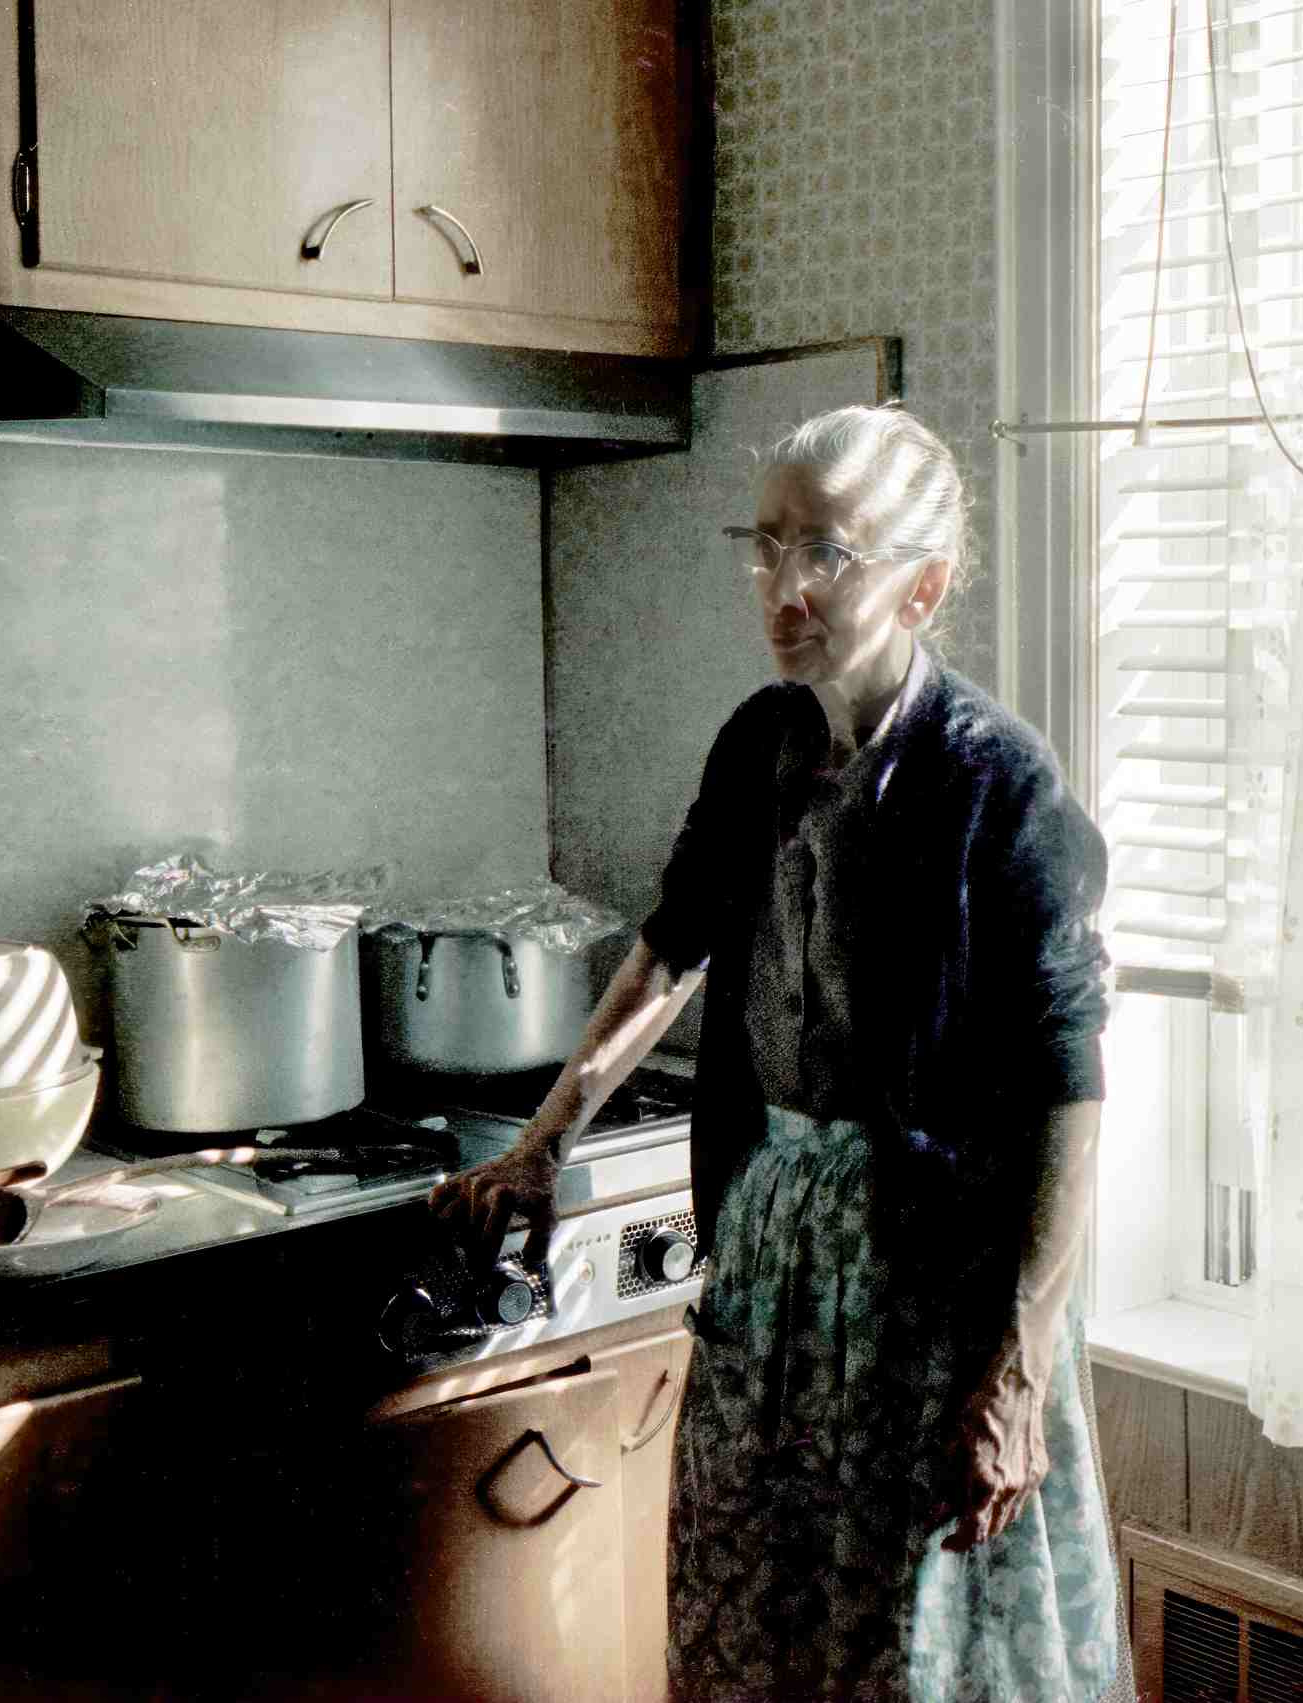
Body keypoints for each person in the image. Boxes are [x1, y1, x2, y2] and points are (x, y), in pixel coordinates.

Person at [429, 404, 1119, 1702]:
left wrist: (1018, 1373)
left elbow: (1067, 1092)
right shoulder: (760, 741)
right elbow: (671, 948)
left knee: (912, 1649)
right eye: (768, 544)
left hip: (933, 1288)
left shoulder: (998, 783)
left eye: (829, 554)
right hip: (772, 1254)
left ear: (922, 584)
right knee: (753, 1618)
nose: (784, 586)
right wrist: (542, 1146)